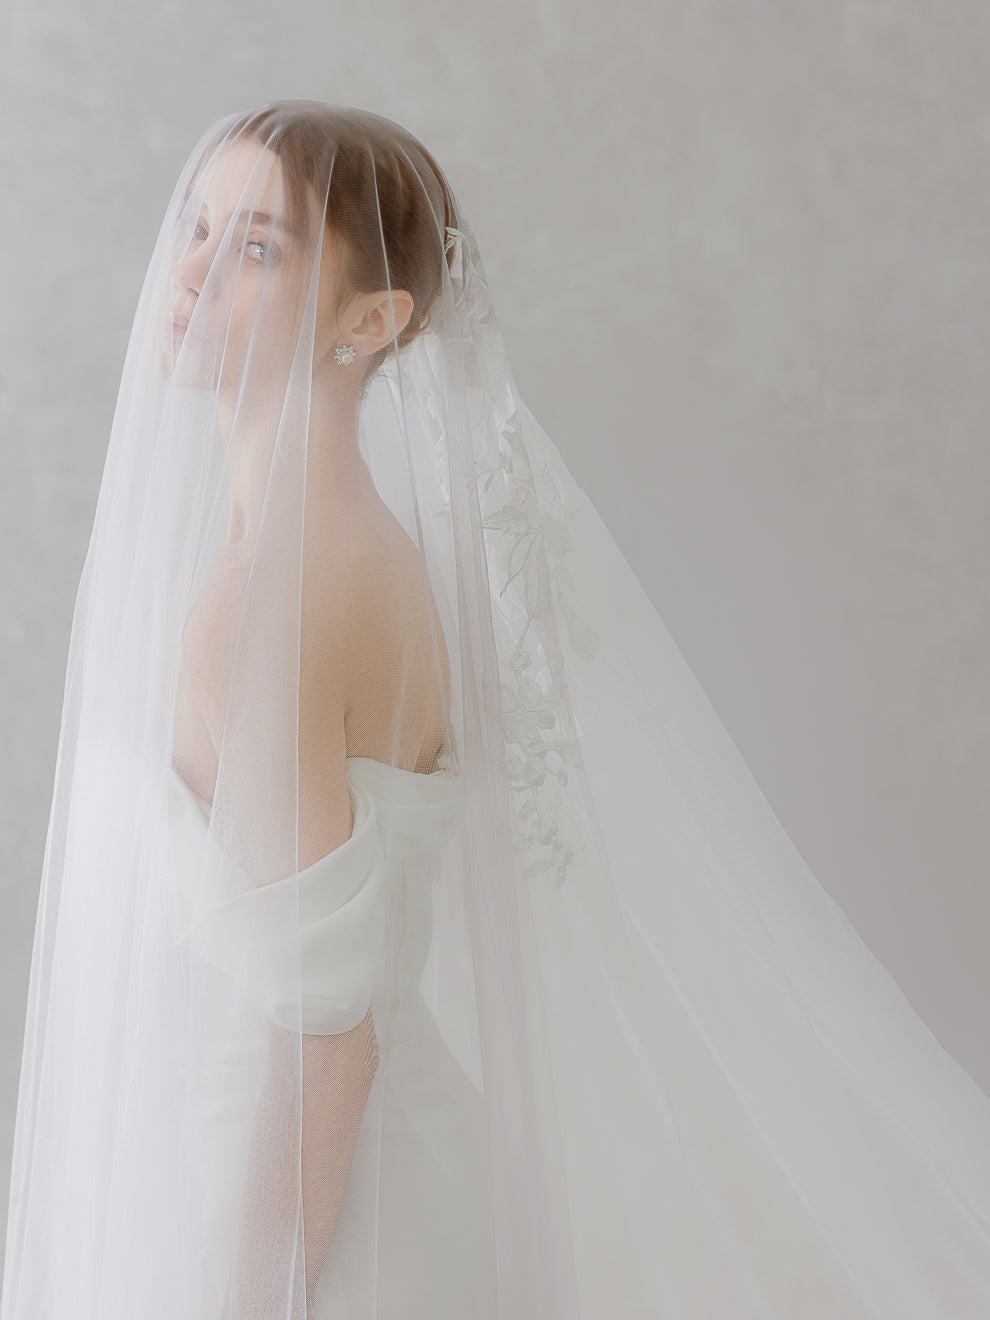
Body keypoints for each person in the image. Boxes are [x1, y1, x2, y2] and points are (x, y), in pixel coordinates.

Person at [3, 100, 990, 1320]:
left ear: (374, 321)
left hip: (292, 1226)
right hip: (318, 1181)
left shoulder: (273, 607)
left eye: (255, 247)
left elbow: (327, 1035)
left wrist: (255, 1299)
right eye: (196, 225)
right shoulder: (367, 556)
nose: (190, 271)